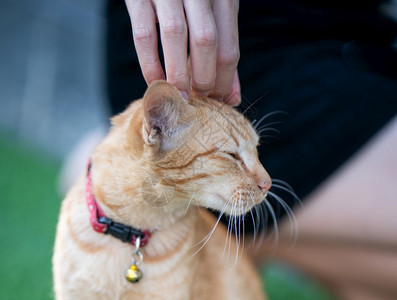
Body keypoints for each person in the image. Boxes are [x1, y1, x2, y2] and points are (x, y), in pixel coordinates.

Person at [106, 0, 397, 298]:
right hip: (223, 49)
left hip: (362, 44)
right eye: (232, 156)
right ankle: (141, 189)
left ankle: (224, 239)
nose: (267, 183)